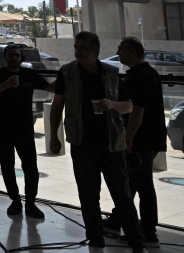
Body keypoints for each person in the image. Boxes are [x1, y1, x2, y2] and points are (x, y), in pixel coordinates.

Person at [49, 32, 144, 252]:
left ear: (95, 51)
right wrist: (54, 135)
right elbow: (57, 105)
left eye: (82, 47)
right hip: (82, 144)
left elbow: (129, 106)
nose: (77, 51)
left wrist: (111, 104)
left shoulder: (111, 73)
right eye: (76, 47)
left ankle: (136, 241)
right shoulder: (67, 72)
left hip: (112, 144)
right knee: (88, 195)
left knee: (122, 195)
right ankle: (95, 239)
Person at [101, 37, 166, 249]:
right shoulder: (146, 74)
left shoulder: (139, 77)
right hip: (147, 137)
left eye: (121, 49)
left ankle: (148, 232)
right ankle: (117, 221)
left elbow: (137, 111)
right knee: (130, 183)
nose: (118, 52)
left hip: (140, 139)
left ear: (133, 51)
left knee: (141, 184)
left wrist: (128, 140)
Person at [0, 44, 54, 219]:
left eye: (16, 55)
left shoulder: (29, 74)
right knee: (7, 165)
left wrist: (69, 78)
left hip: (24, 127)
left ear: (21, 58)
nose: (13, 58)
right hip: (2, 126)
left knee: (30, 166)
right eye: (10, 55)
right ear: (5, 57)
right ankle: (15, 200)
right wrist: (5, 85)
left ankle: (30, 202)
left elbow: (49, 88)